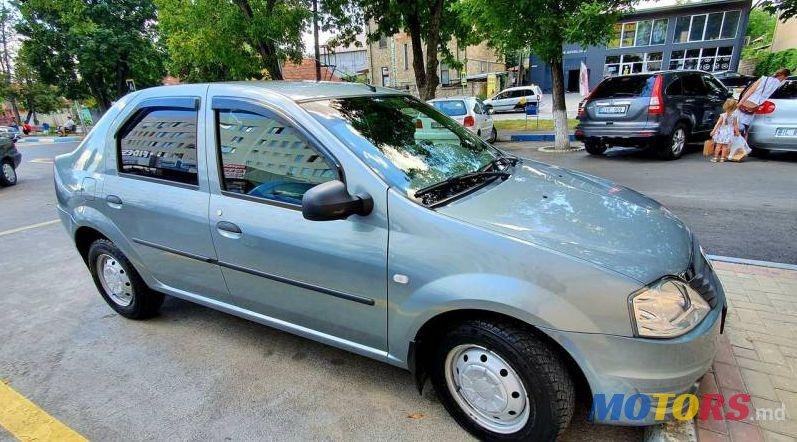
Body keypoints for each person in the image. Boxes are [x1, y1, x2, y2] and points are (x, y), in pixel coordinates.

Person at [737, 67, 791, 135]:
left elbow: (751, 90)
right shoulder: (778, 85)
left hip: (747, 101)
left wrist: (741, 102)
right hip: (756, 105)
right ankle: (742, 142)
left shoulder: (764, 78)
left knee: (737, 122)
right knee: (746, 127)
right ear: (784, 76)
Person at [709, 98, 739, 162]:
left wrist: (713, 131)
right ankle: (722, 158)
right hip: (729, 132)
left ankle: (715, 158)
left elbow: (718, 124)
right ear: (734, 107)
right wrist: (737, 132)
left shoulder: (722, 115)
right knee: (725, 146)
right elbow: (735, 125)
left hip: (721, 132)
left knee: (718, 146)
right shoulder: (734, 116)